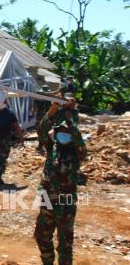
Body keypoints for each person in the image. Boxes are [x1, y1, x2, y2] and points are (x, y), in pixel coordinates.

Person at [34, 96, 86, 265]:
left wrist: (69, 114)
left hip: (66, 202)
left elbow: (77, 136)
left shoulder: (77, 152)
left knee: (65, 244)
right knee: (42, 236)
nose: (62, 133)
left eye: (66, 131)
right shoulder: (52, 148)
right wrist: (53, 109)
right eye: (60, 131)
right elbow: (42, 130)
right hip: (48, 199)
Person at [0, 101, 24, 186]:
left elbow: (16, 125)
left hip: (3, 139)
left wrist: (21, 137)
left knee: (0, 158)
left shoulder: (9, 113)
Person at [33, 85, 53, 154]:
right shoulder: (49, 98)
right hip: (47, 117)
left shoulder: (37, 98)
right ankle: (47, 146)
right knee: (47, 130)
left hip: (39, 116)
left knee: (39, 131)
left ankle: (41, 146)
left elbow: (35, 108)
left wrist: (32, 113)